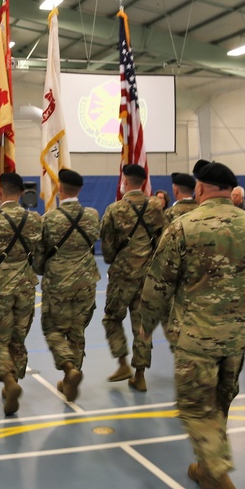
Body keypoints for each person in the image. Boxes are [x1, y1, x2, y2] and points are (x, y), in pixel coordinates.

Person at [138, 159, 245, 489]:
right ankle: (205, 468)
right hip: (235, 340)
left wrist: (145, 325)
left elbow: (158, 283)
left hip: (195, 339)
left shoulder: (182, 226)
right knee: (218, 406)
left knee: (198, 411)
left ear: (200, 189)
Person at [0, 173, 42, 416]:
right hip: (26, 286)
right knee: (18, 337)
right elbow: (40, 254)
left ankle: (9, 381)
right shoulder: (35, 220)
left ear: (0, 192)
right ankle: (14, 381)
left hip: (0, 287)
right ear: (22, 193)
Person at [33, 168, 100, 403]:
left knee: (52, 328)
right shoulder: (92, 215)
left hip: (58, 282)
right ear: (79, 189)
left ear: (60, 189)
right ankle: (71, 375)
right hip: (86, 280)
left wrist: (44, 270)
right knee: (77, 330)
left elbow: (39, 255)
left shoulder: (49, 219)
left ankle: (68, 367)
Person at [99, 164, 164, 391]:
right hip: (147, 276)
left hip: (122, 276)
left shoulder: (115, 209)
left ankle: (122, 362)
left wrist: (115, 258)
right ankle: (140, 374)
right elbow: (161, 239)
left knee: (111, 318)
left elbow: (106, 245)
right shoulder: (156, 207)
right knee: (142, 325)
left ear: (125, 181)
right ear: (144, 183)